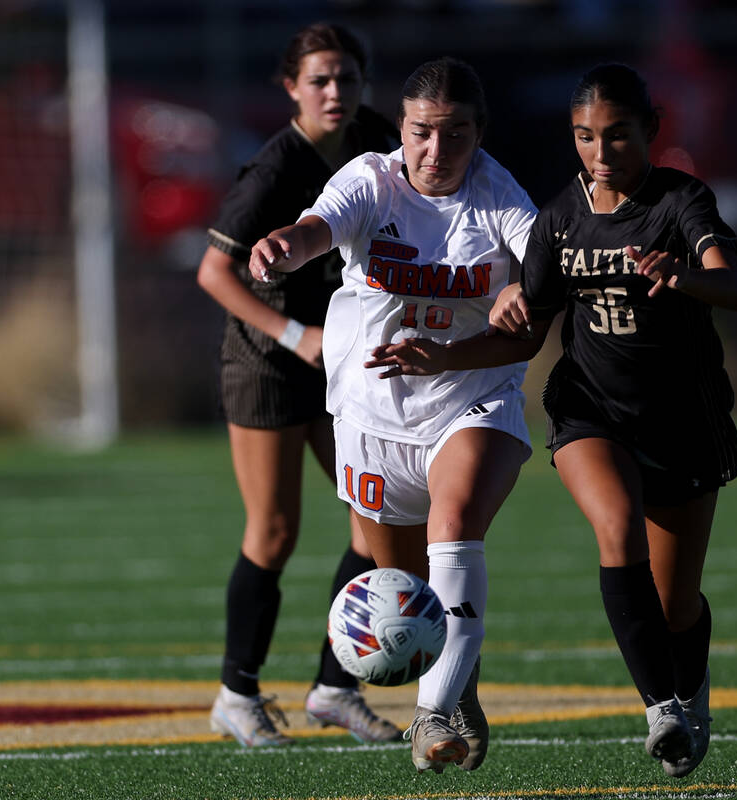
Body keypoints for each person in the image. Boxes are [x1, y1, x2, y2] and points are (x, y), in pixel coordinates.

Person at [365, 62, 737, 778]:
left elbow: (736, 285)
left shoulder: (681, 201)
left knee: (676, 607)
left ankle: (686, 686)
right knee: (615, 528)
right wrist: (443, 352)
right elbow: (522, 333)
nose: (601, 154)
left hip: (683, 419)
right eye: (584, 137)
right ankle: (661, 708)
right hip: (590, 410)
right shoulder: (560, 218)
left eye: (618, 136)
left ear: (651, 131)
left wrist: (685, 277)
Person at [248, 57, 538, 773]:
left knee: (457, 520)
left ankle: (433, 714)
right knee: (415, 603)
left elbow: (545, 279)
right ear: (400, 129)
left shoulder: (500, 197)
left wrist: (526, 287)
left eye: (456, 135)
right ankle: (453, 685)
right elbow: (319, 227)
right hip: (373, 413)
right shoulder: (369, 180)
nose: (437, 152)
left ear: (480, 135)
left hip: (472, 396)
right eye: (421, 133)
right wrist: (286, 247)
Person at [196, 22, 402, 747]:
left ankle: (334, 688)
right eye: (319, 79)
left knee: (375, 528)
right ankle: (236, 694)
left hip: (338, 360)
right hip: (269, 361)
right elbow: (213, 270)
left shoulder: (382, 139)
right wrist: (294, 334)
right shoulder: (275, 167)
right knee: (275, 531)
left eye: (346, 77)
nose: (335, 91)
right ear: (291, 88)